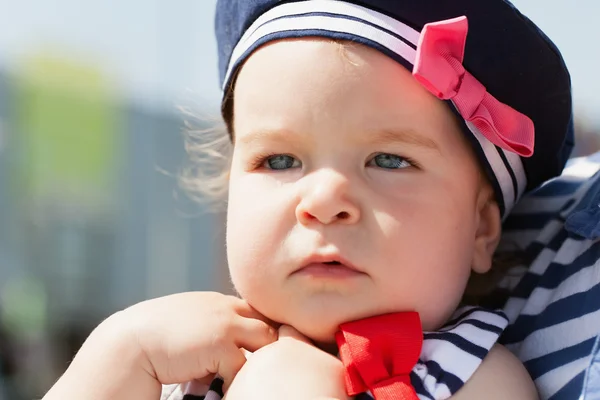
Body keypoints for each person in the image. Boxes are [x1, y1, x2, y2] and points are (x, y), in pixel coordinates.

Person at [42, 0, 577, 399]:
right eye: (278, 161)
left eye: (389, 160)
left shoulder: (475, 375)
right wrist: (117, 359)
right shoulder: (181, 357)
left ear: (482, 228)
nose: (323, 200)